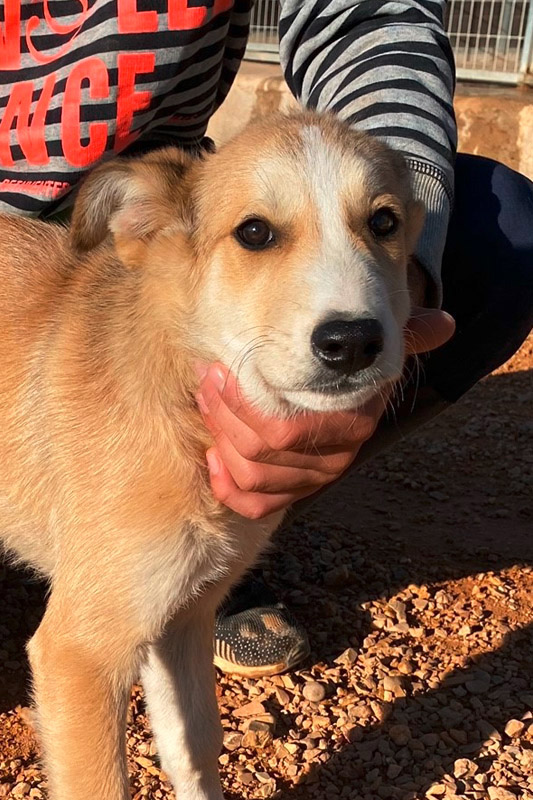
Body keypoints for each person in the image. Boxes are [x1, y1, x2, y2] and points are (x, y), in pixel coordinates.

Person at [1, 0, 532, 677]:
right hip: (66, 237)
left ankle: (229, 509)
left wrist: (393, 273)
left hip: (172, 201)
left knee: (501, 233)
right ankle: (112, 529)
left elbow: (369, 20)